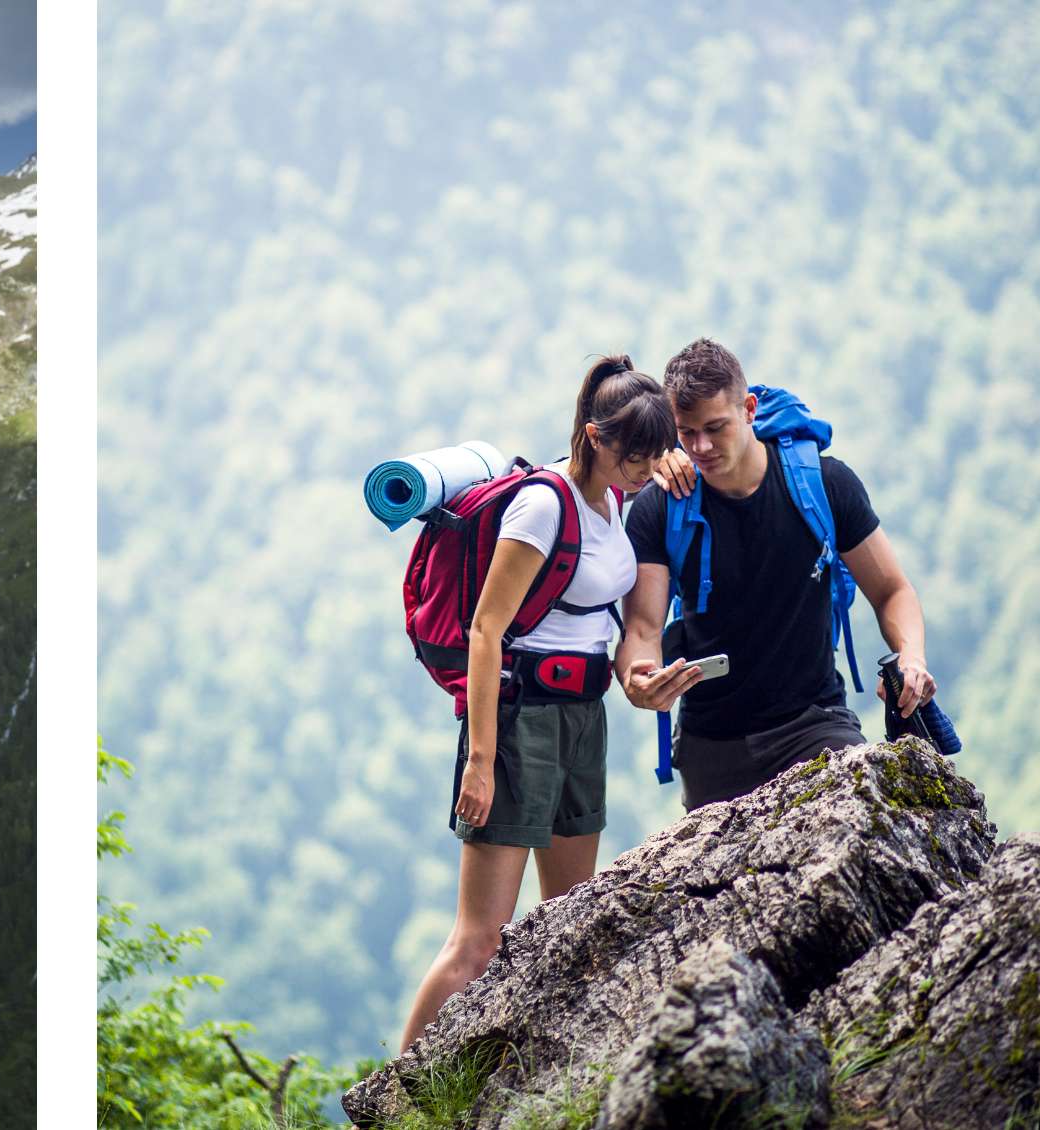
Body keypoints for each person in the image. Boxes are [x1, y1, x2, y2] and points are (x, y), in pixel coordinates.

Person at [397, 355, 674, 1053]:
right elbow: (486, 629)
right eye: (634, 456)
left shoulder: (616, 501)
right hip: (520, 720)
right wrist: (481, 761)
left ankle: (546, 1078)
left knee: (568, 922)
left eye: (653, 457)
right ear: (594, 436)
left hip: (584, 718)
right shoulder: (543, 505)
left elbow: (599, 620)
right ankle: (389, 1101)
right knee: (479, 942)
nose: (644, 470)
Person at [618, 338, 938, 809]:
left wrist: (911, 655)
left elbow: (891, 590)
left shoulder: (824, 485)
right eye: (687, 433)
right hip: (713, 746)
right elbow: (643, 627)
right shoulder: (660, 506)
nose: (701, 446)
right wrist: (637, 675)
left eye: (716, 427)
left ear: (749, 409)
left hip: (816, 725)